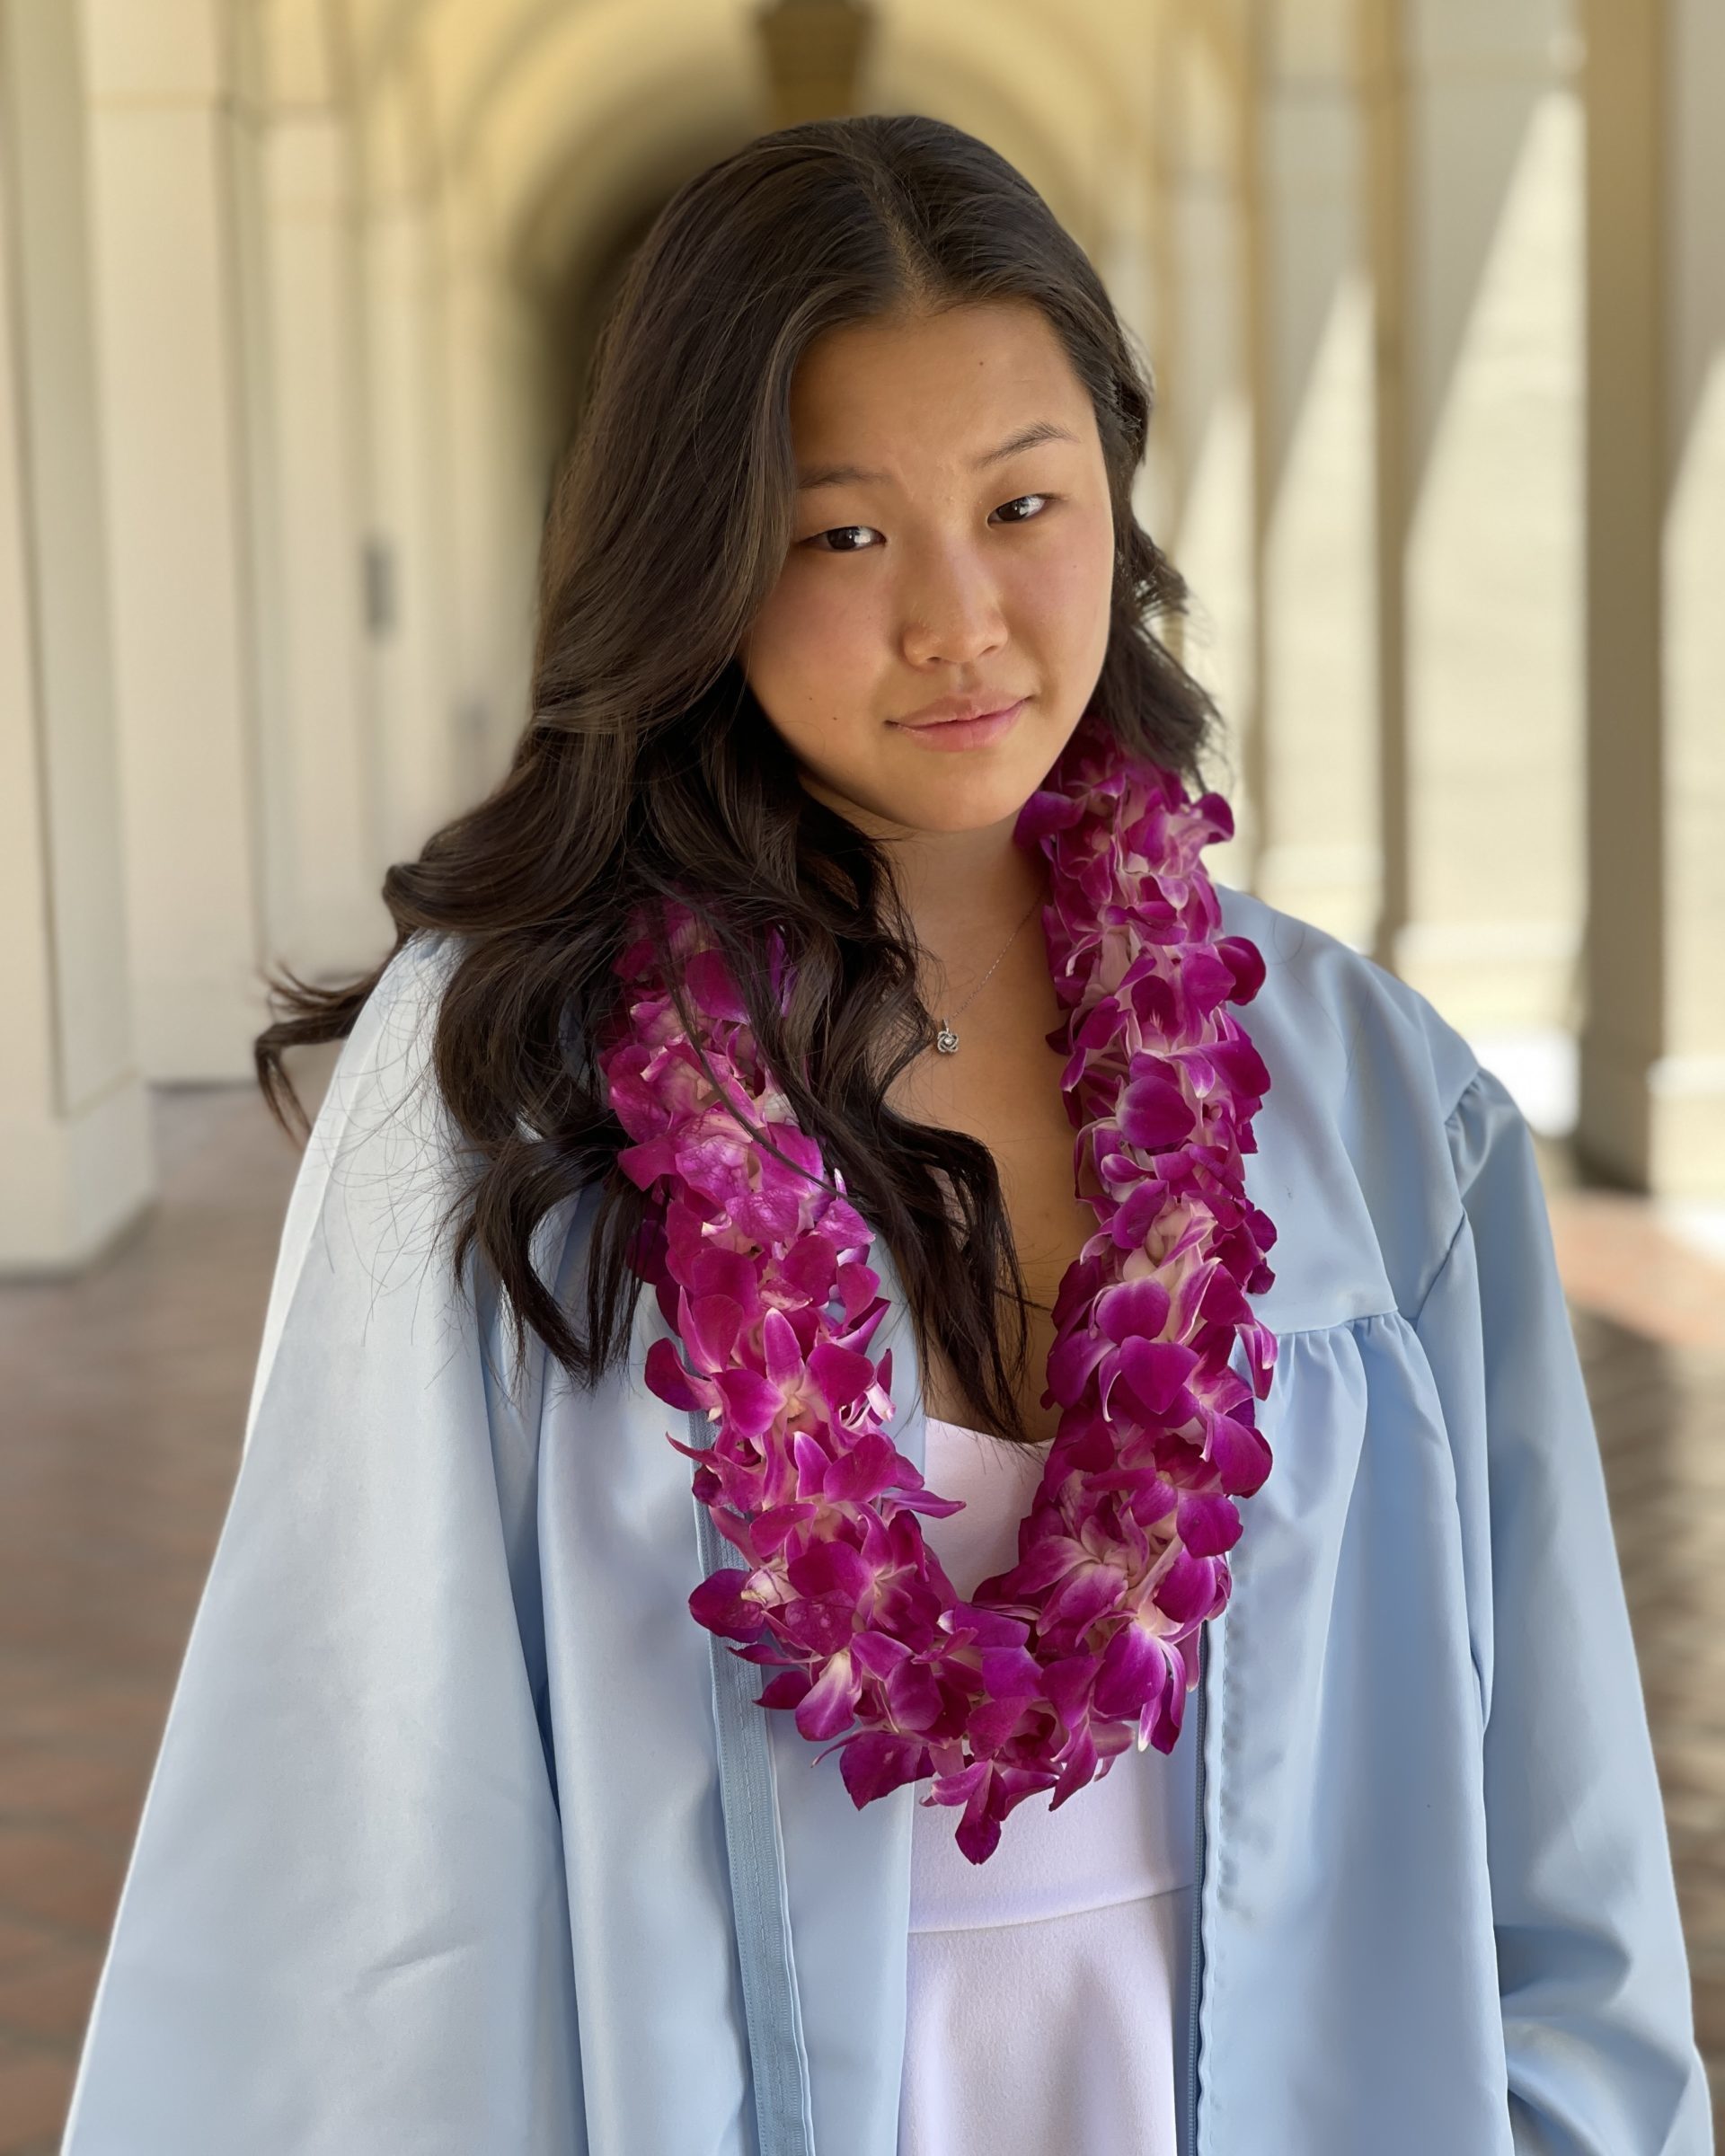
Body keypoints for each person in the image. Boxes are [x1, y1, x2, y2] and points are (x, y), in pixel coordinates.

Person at [60, 112, 1711, 2156]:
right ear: (697, 556)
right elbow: (359, 1876)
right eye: (843, 533)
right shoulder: (502, 1090)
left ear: (1116, 492)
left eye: (1025, 502)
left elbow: (1562, 1861)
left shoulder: (1362, 1089)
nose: (962, 621)